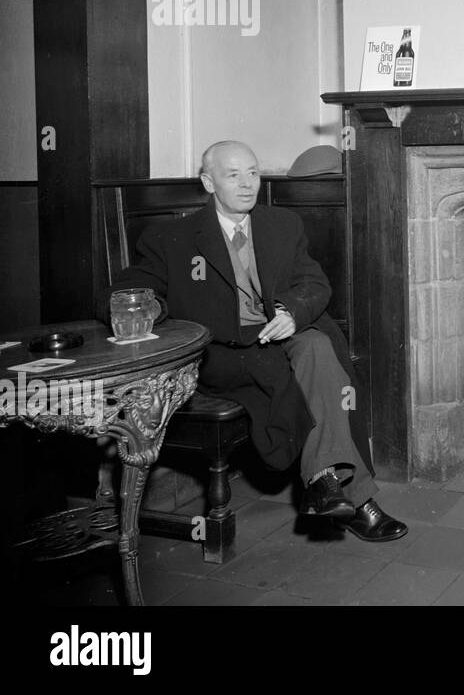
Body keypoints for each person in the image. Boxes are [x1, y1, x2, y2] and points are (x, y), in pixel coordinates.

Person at [96, 141, 407, 542]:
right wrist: (151, 310)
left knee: (316, 347)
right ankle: (344, 492)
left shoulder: (282, 225)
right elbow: (125, 294)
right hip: (224, 352)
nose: (248, 185)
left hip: (277, 334)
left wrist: (290, 312)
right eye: (233, 175)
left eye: (254, 173)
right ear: (209, 182)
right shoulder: (173, 237)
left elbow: (313, 282)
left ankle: (327, 484)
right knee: (304, 375)